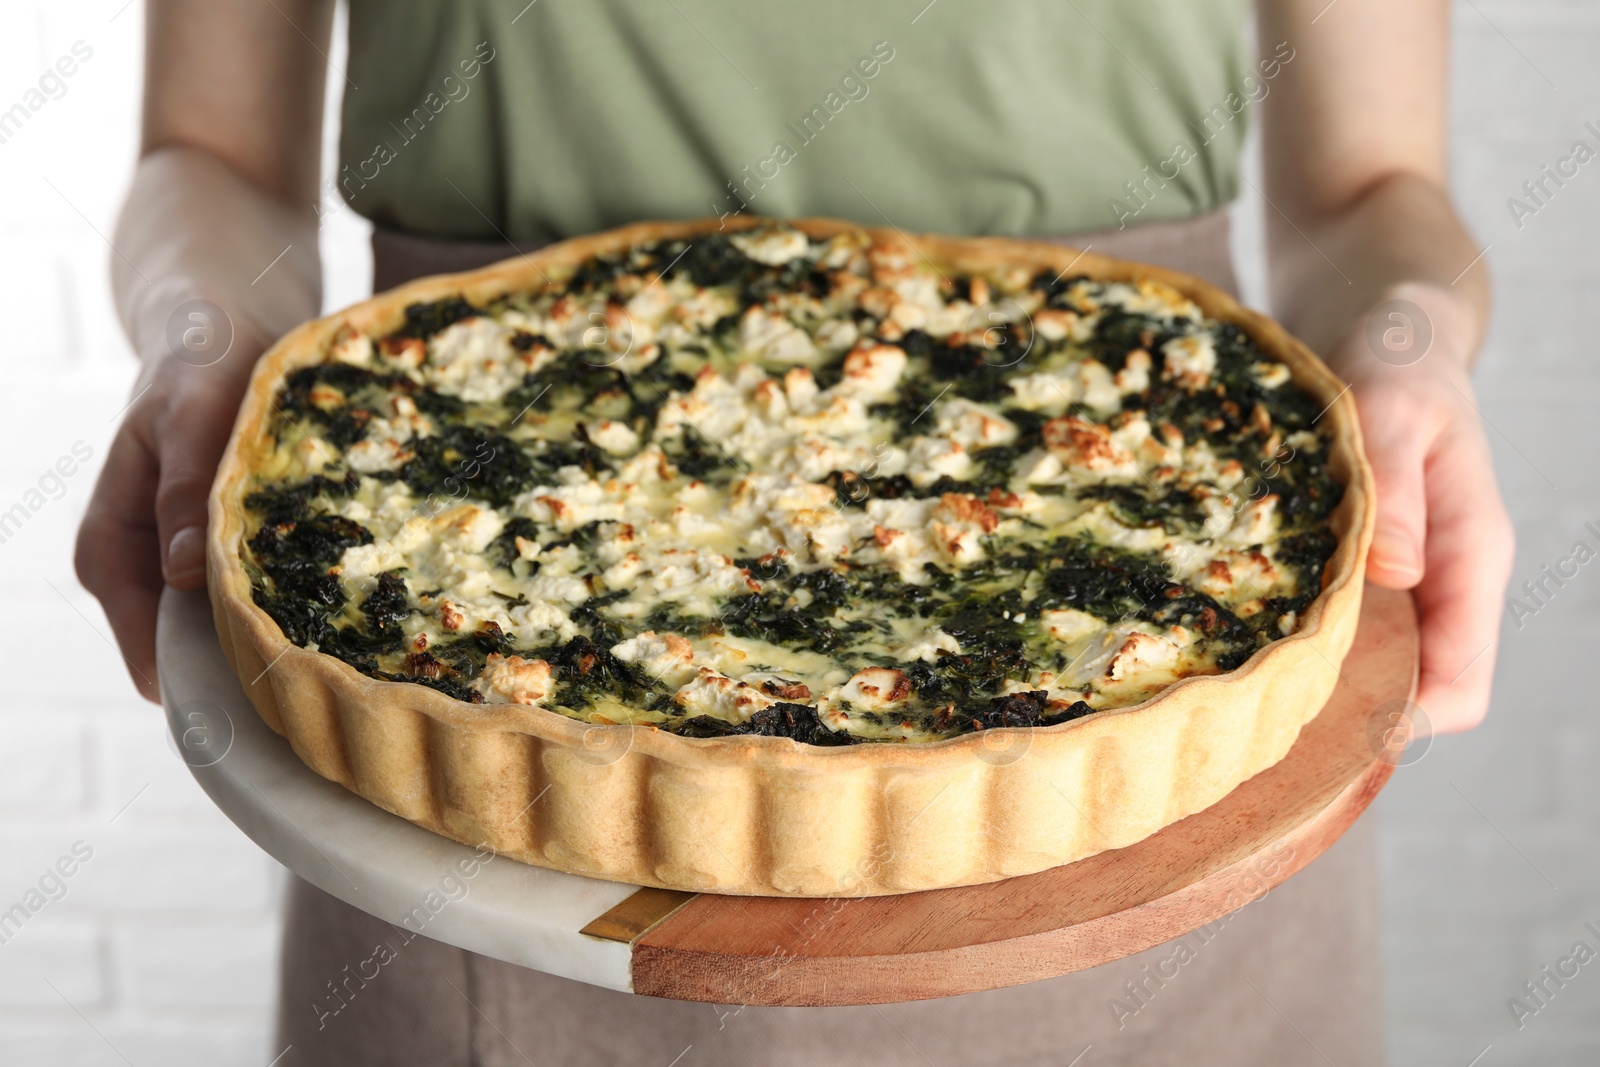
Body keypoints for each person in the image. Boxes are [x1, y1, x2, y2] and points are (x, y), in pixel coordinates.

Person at [76, 1, 1513, 1063]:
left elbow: (1372, 194)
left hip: (1167, 586)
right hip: (477, 604)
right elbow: (204, 155)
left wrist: (1403, 343)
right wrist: (202, 337)